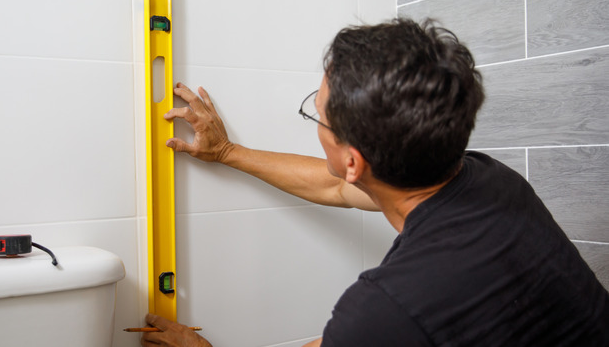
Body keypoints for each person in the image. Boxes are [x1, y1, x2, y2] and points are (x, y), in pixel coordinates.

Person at [138, 18, 609, 347]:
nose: (316, 124)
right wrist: (226, 152)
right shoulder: (491, 180)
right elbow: (337, 188)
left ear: (354, 160)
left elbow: (373, 328)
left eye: (317, 116)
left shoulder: (387, 306)